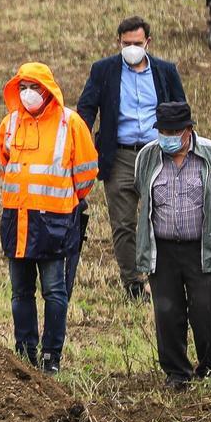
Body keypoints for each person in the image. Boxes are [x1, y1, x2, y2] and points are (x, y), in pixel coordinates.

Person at [74, 17, 190, 300]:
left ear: (148, 43)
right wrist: (79, 142)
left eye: (137, 44)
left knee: (164, 220)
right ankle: (134, 284)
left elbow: (182, 110)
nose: (132, 48)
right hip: (120, 156)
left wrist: (184, 149)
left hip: (158, 154)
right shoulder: (103, 71)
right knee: (124, 224)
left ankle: (162, 277)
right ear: (118, 43)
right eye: (127, 44)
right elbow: (86, 109)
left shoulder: (165, 71)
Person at [0, 61, 99, 372]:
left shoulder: (71, 124)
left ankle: (51, 356)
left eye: (35, 87)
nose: (29, 94)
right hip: (18, 220)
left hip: (54, 223)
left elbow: (86, 175)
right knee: (20, 292)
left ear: (48, 90)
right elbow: (5, 167)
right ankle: (25, 352)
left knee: (55, 292)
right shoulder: (10, 124)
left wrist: (61, 202)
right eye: (23, 87)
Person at [132, 100, 211, 389]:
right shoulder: (148, 156)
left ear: (188, 130)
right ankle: (176, 373)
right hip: (163, 249)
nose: (166, 137)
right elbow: (141, 189)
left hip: (202, 247)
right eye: (162, 131)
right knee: (167, 312)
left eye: (173, 131)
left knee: (205, 310)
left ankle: (210, 368)